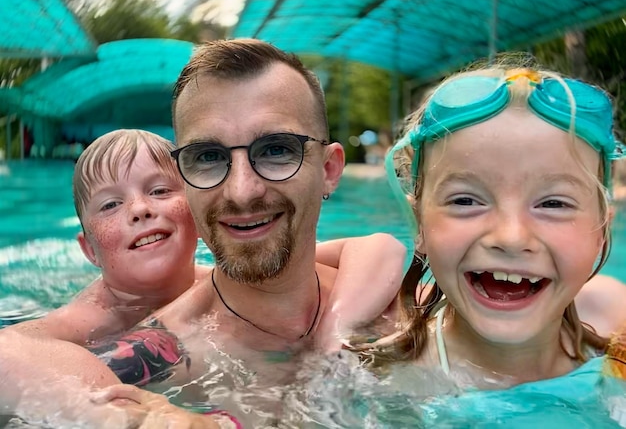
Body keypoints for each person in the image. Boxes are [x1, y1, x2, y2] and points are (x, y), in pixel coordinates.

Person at [0, 39, 405, 427]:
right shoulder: (154, 352)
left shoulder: (412, 302)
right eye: (208, 157)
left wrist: (334, 336)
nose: (242, 190)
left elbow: (379, 246)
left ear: (330, 170)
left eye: (277, 149)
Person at [350, 64, 626, 425]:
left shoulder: (613, 319)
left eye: (554, 203)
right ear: (418, 221)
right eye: (465, 201)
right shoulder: (387, 386)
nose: (511, 237)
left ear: (603, 227)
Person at [7, 128, 404, 348]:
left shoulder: (218, 280)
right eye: (110, 206)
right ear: (89, 249)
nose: (140, 209)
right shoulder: (86, 322)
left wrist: (335, 332)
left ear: (197, 213)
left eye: (160, 191)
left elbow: (379, 247)